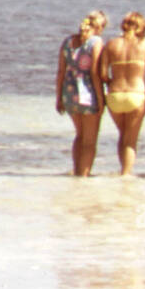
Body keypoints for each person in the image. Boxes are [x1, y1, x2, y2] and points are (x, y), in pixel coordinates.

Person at [95, 11, 145, 176]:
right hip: (136, 94)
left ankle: (122, 171)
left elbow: (103, 74)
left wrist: (111, 83)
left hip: (115, 95)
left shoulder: (111, 44)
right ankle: (126, 175)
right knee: (130, 141)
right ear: (140, 27)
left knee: (122, 136)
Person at [55, 10, 108, 176]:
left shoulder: (68, 42)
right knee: (90, 141)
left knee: (79, 136)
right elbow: (94, 73)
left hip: (69, 94)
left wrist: (59, 98)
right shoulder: (96, 42)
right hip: (88, 95)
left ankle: (77, 172)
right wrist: (101, 99)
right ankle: (84, 175)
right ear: (99, 27)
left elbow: (61, 72)